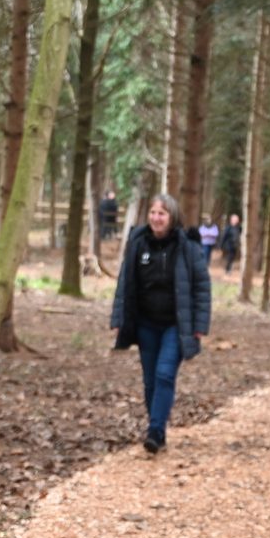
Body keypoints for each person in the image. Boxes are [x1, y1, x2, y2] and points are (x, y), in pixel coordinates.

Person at [110, 194, 212, 454]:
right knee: (150, 380)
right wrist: (119, 318)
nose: (156, 218)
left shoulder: (187, 247)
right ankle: (158, 426)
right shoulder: (138, 243)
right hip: (145, 323)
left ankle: (155, 431)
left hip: (175, 325)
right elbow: (125, 283)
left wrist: (200, 325)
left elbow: (202, 287)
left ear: (172, 217)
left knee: (165, 374)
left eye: (162, 214)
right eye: (153, 212)